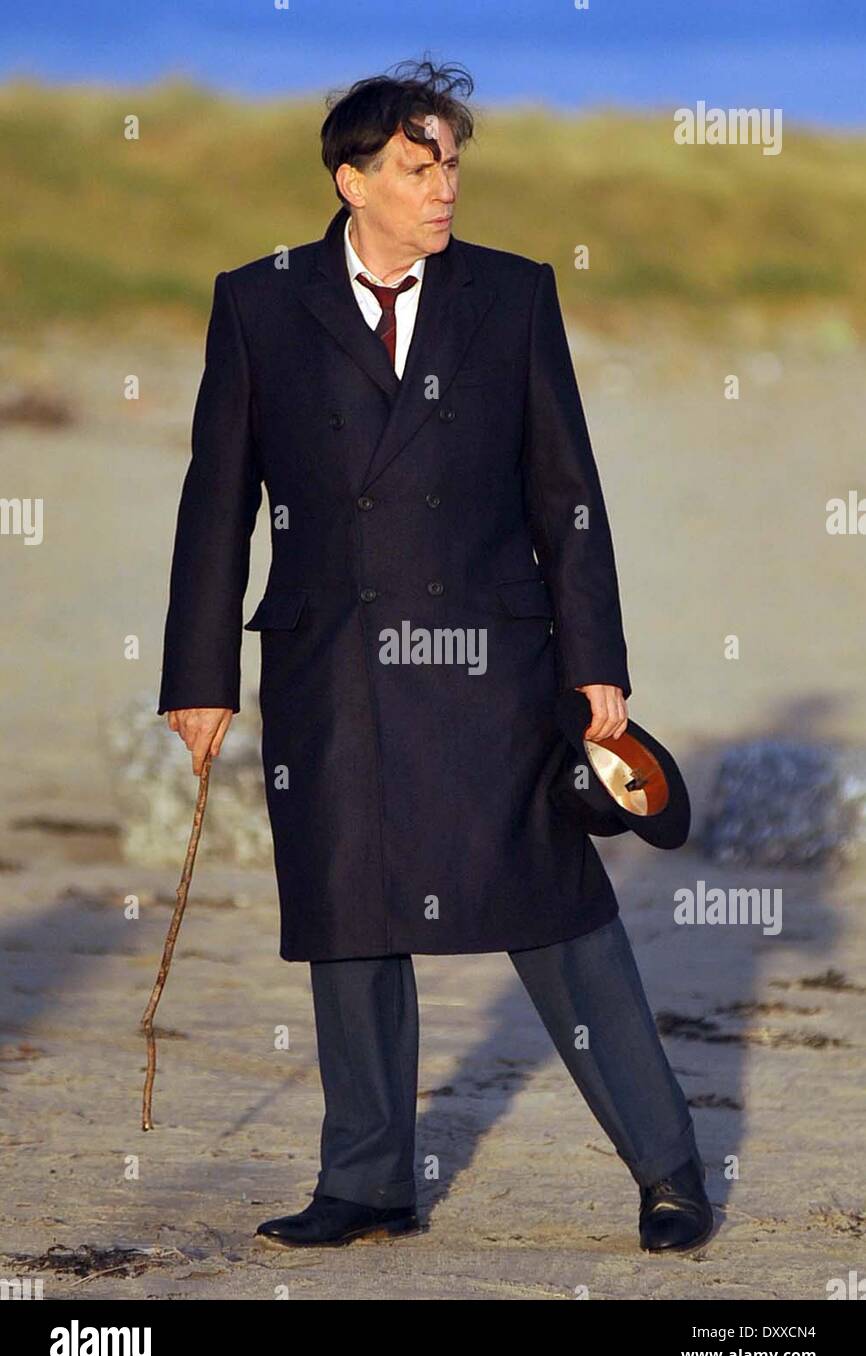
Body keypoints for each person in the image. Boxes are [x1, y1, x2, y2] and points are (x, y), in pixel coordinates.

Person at [157, 59, 713, 1254]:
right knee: (349, 915)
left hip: (492, 662)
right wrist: (197, 674)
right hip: (330, 662)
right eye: (419, 166)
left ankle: (668, 1169)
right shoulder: (258, 301)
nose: (445, 185)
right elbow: (218, 500)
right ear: (352, 179)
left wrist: (595, 663)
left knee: (554, 908)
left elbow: (565, 489)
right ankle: (364, 1180)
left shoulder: (510, 297)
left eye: (453, 161)